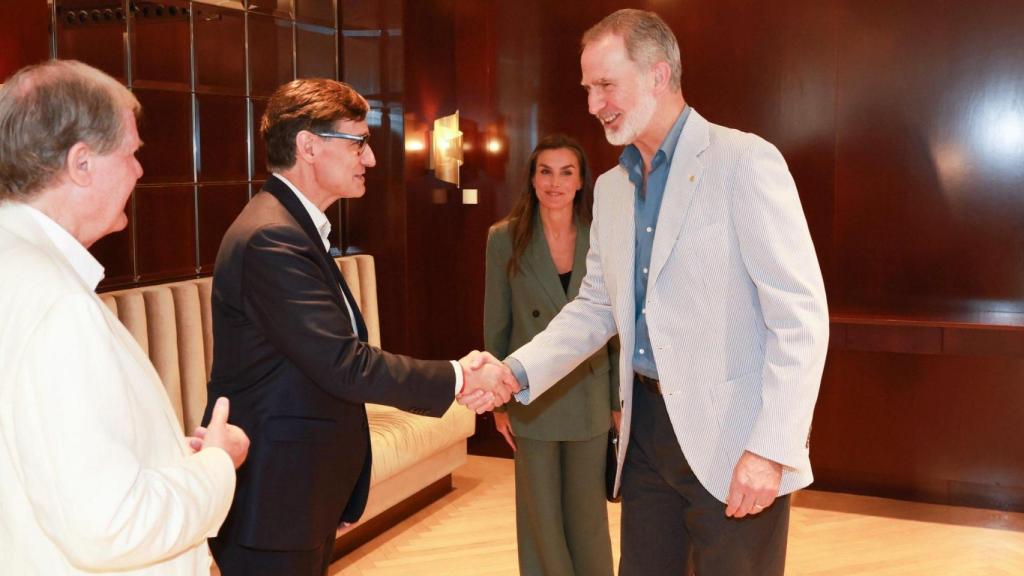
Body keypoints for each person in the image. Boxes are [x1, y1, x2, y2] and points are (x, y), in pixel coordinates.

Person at [504, 9, 829, 576]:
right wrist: (515, 372)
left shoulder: (744, 162)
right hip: (645, 437)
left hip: (736, 443)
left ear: (659, 75)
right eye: (587, 88)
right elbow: (595, 308)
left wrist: (771, 449)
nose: (593, 103)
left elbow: (800, 317)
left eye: (606, 85)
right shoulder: (608, 189)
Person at [204, 77, 516, 576]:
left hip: (300, 491)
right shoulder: (271, 238)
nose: (369, 159)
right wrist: (460, 376)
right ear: (308, 146)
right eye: (358, 142)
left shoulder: (292, 228)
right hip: (276, 497)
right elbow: (343, 365)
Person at [0, 60, 249, 575]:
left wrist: (160, 455)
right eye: (132, 152)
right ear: (81, 163)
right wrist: (216, 464)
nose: (139, 170)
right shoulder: (58, 304)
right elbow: (110, 527)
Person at [484, 134, 619, 576]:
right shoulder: (504, 239)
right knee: (540, 515)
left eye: (566, 172)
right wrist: (500, 401)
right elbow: (497, 324)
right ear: (532, 178)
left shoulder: (604, 237)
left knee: (587, 516)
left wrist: (618, 400)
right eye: (545, 171)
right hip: (530, 394)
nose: (555, 182)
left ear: (582, 181)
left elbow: (615, 328)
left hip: (589, 391)